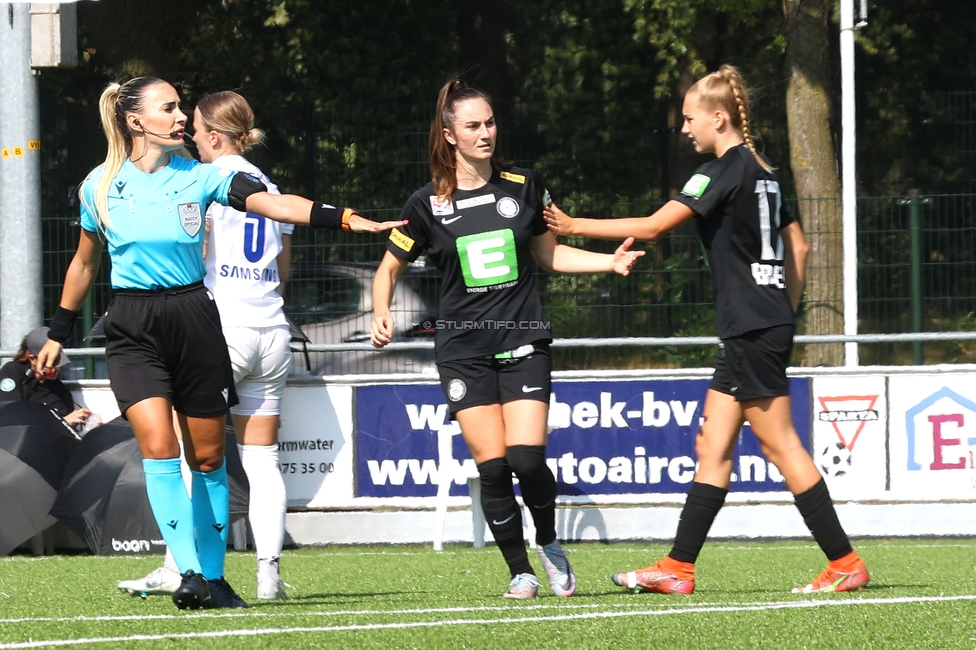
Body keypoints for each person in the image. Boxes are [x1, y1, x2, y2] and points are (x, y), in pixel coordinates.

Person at [35, 76, 403, 611]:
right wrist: (57, 334)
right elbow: (84, 262)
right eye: (170, 108)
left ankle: (214, 576)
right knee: (159, 449)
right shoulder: (99, 184)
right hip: (133, 326)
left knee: (207, 459)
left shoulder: (203, 176)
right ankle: (187, 572)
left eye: (181, 106)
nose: (182, 115)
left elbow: (272, 205)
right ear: (137, 121)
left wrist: (345, 218)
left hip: (194, 318)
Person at [543, 64, 869, 595]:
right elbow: (801, 248)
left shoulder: (722, 170)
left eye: (690, 119)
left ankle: (845, 561)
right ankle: (678, 568)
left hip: (750, 328)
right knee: (712, 443)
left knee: (782, 444)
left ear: (718, 119)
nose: (685, 128)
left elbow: (652, 226)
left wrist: (575, 225)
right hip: (761, 324)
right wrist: (779, 311)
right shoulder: (765, 169)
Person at [370, 79, 644, 599]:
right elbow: (386, 271)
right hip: (462, 350)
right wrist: (381, 312)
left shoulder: (524, 184)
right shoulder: (426, 202)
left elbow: (550, 255)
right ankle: (519, 571)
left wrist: (609, 262)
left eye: (490, 122)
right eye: (472, 125)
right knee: (492, 467)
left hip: (522, 340)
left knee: (525, 461)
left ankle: (548, 542)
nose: (485, 133)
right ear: (449, 134)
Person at [117, 90, 296, 601]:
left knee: (192, 454)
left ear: (215, 136)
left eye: (195, 127)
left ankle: (181, 567)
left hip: (219, 328)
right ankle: (269, 576)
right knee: (263, 460)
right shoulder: (269, 185)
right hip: (272, 328)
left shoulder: (207, 183)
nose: (189, 134)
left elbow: (191, 252)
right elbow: (282, 269)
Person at [0, 326, 92, 430]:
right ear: (32, 359)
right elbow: (10, 413)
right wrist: (63, 422)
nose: (56, 369)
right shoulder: (13, 371)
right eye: (50, 363)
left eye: (58, 363)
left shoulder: (60, 391)